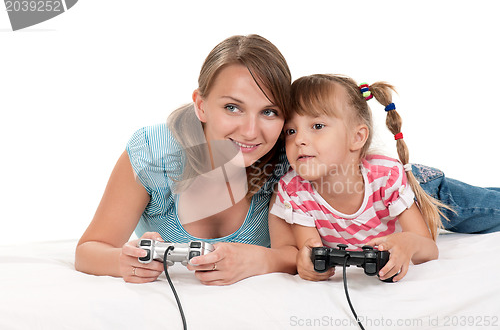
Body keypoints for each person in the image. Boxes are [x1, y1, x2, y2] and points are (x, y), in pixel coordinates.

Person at [75, 34, 297, 285]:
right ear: (201, 105)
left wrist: (259, 260)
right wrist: (124, 261)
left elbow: (305, 253)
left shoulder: (290, 161)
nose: (250, 131)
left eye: (269, 112)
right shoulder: (153, 152)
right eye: (232, 107)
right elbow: (89, 250)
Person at [270, 74, 471, 282]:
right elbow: (310, 253)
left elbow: (429, 249)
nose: (299, 140)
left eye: (317, 126)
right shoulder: (295, 191)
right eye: (291, 131)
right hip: (398, 188)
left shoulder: (387, 177)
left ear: (357, 137)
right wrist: (305, 264)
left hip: (425, 187)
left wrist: (408, 243)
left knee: (487, 210)